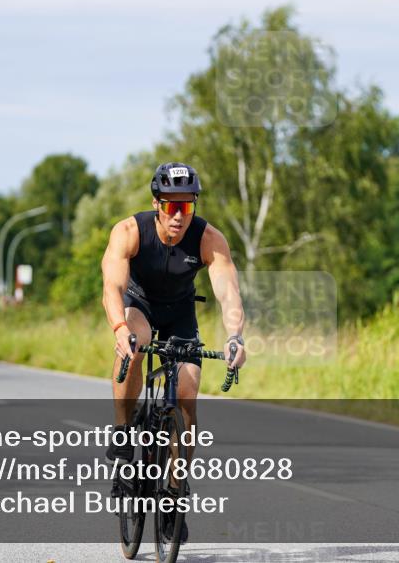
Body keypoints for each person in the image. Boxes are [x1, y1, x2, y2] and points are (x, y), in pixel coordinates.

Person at [101, 162, 247, 543]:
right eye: (171, 206)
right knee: (134, 347)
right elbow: (112, 287)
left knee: (187, 388)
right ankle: (122, 429)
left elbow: (228, 291)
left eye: (187, 206)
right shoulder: (130, 231)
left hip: (181, 312)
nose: (179, 215)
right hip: (140, 306)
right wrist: (119, 328)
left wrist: (235, 336)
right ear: (157, 204)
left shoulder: (208, 238)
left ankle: (174, 493)